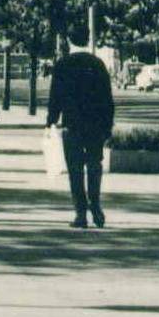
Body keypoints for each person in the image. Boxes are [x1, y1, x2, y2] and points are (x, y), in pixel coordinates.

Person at [46, 36, 116, 228]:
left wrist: (50, 121)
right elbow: (108, 98)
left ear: (68, 42)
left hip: (72, 125)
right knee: (94, 165)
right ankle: (96, 205)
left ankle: (80, 213)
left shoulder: (62, 65)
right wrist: (107, 126)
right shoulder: (97, 64)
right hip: (95, 125)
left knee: (75, 170)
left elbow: (55, 97)